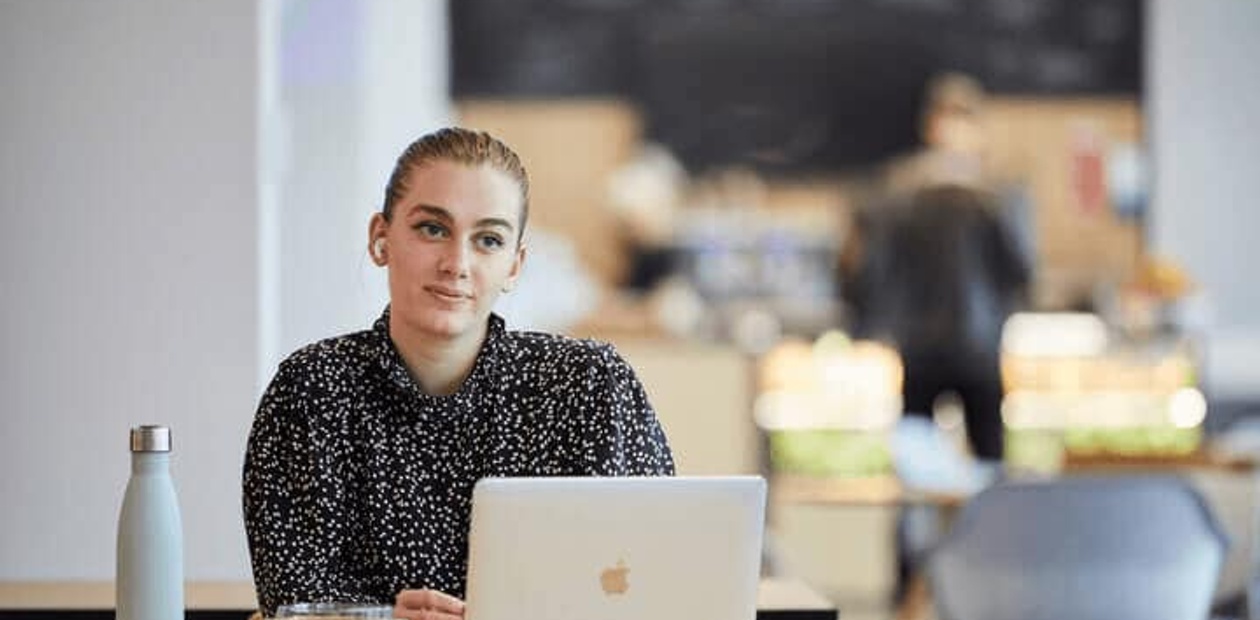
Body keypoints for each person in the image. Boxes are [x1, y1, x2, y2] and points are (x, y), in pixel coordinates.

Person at [242, 127, 675, 619]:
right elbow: (288, 606)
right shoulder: (310, 392)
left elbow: (649, 585)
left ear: (515, 265)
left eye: (488, 240)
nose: (457, 263)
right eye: (432, 228)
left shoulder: (593, 385)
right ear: (380, 239)